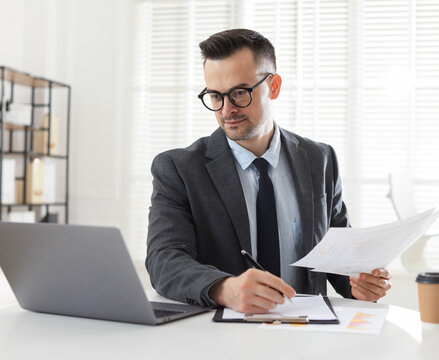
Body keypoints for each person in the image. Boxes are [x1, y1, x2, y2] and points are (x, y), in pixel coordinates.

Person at [146, 28, 392, 314]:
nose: (227, 109)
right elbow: (165, 260)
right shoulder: (178, 168)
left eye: (239, 93)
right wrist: (225, 288)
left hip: (307, 332)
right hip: (220, 336)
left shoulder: (319, 159)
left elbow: (337, 257)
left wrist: (359, 283)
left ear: (274, 86)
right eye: (215, 96)